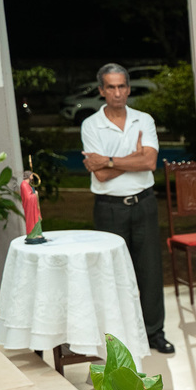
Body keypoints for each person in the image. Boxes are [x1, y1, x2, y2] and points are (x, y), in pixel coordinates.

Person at [80, 63, 172, 355]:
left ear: (128, 89)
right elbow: (101, 176)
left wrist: (108, 160)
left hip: (143, 204)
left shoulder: (143, 120)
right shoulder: (90, 125)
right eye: (111, 87)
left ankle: (154, 333)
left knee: (150, 272)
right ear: (101, 91)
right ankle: (120, 338)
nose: (117, 92)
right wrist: (131, 157)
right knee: (112, 274)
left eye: (122, 86)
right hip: (109, 209)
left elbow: (149, 163)